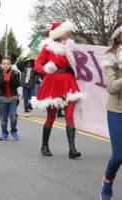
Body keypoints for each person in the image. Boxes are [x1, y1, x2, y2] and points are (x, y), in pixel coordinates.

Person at [30, 21, 86, 159]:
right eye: (66, 31)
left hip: (68, 84)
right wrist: (45, 69)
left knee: (69, 115)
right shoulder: (48, 48)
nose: (69, 33)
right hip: (53, 84)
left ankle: (72, 149)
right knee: (51, 116)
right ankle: (44, 145)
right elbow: (38, 65)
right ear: (59, 33)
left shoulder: (72, 48)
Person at [100, 22, 122, 200]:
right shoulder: (111, 57)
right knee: (119, 155)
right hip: (117, 110)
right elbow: (111, 87)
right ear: (118, 36)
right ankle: (108, 181)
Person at [0, 57, 20, 140]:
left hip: (13, 97)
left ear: (11, 65)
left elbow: (17, 85)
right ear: (1, 65)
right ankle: (4, 132)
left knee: (13, 116)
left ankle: (14, 130)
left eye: (8, 64)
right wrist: (3, 80)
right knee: (3, 118)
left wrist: (10, 79)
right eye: (4, 64)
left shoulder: (15, 73)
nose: (6, 66)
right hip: (2, 98)